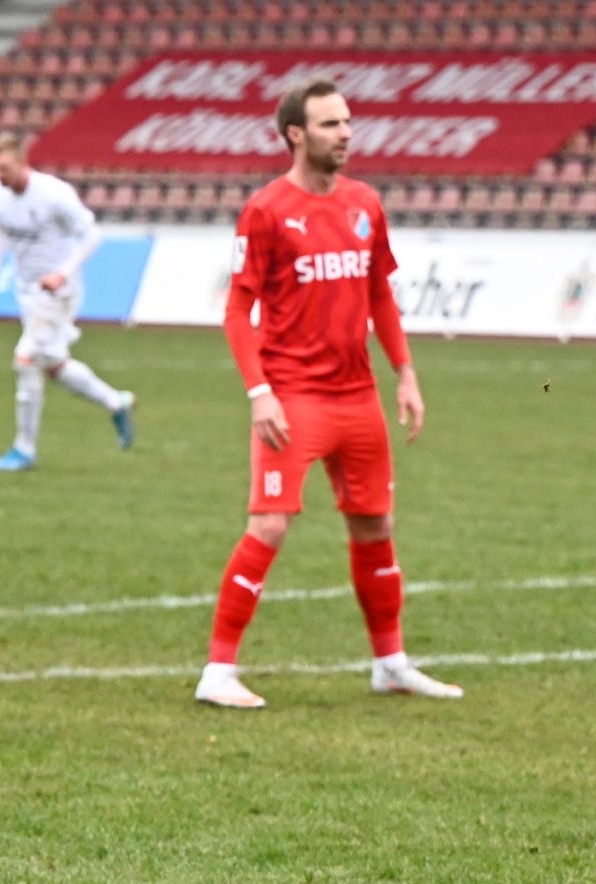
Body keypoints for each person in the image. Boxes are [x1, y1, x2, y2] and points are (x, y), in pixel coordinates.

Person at [195, 79, 462, 709]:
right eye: (330, 124)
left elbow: (379, 297)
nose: (345, 132)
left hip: (358, 397)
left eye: (347, 121)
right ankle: (218, 672)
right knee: (268, 523)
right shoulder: (265, 210)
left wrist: (407, 374)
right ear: (296, 134)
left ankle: (390, 663)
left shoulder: (365, 202)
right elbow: (237, 312)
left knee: (376, 525)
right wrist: (260, 391)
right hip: (293, 398)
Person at [0, 133, 135, 471]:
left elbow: (93, 235)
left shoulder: (54, 194)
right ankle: (115, 401)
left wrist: (63, 272)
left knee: (25, 359)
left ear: (23, 162)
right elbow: (0, 227)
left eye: (5, 168)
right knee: (52, 364)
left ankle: (24, 449)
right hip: (26, 290)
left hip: (57, 292)